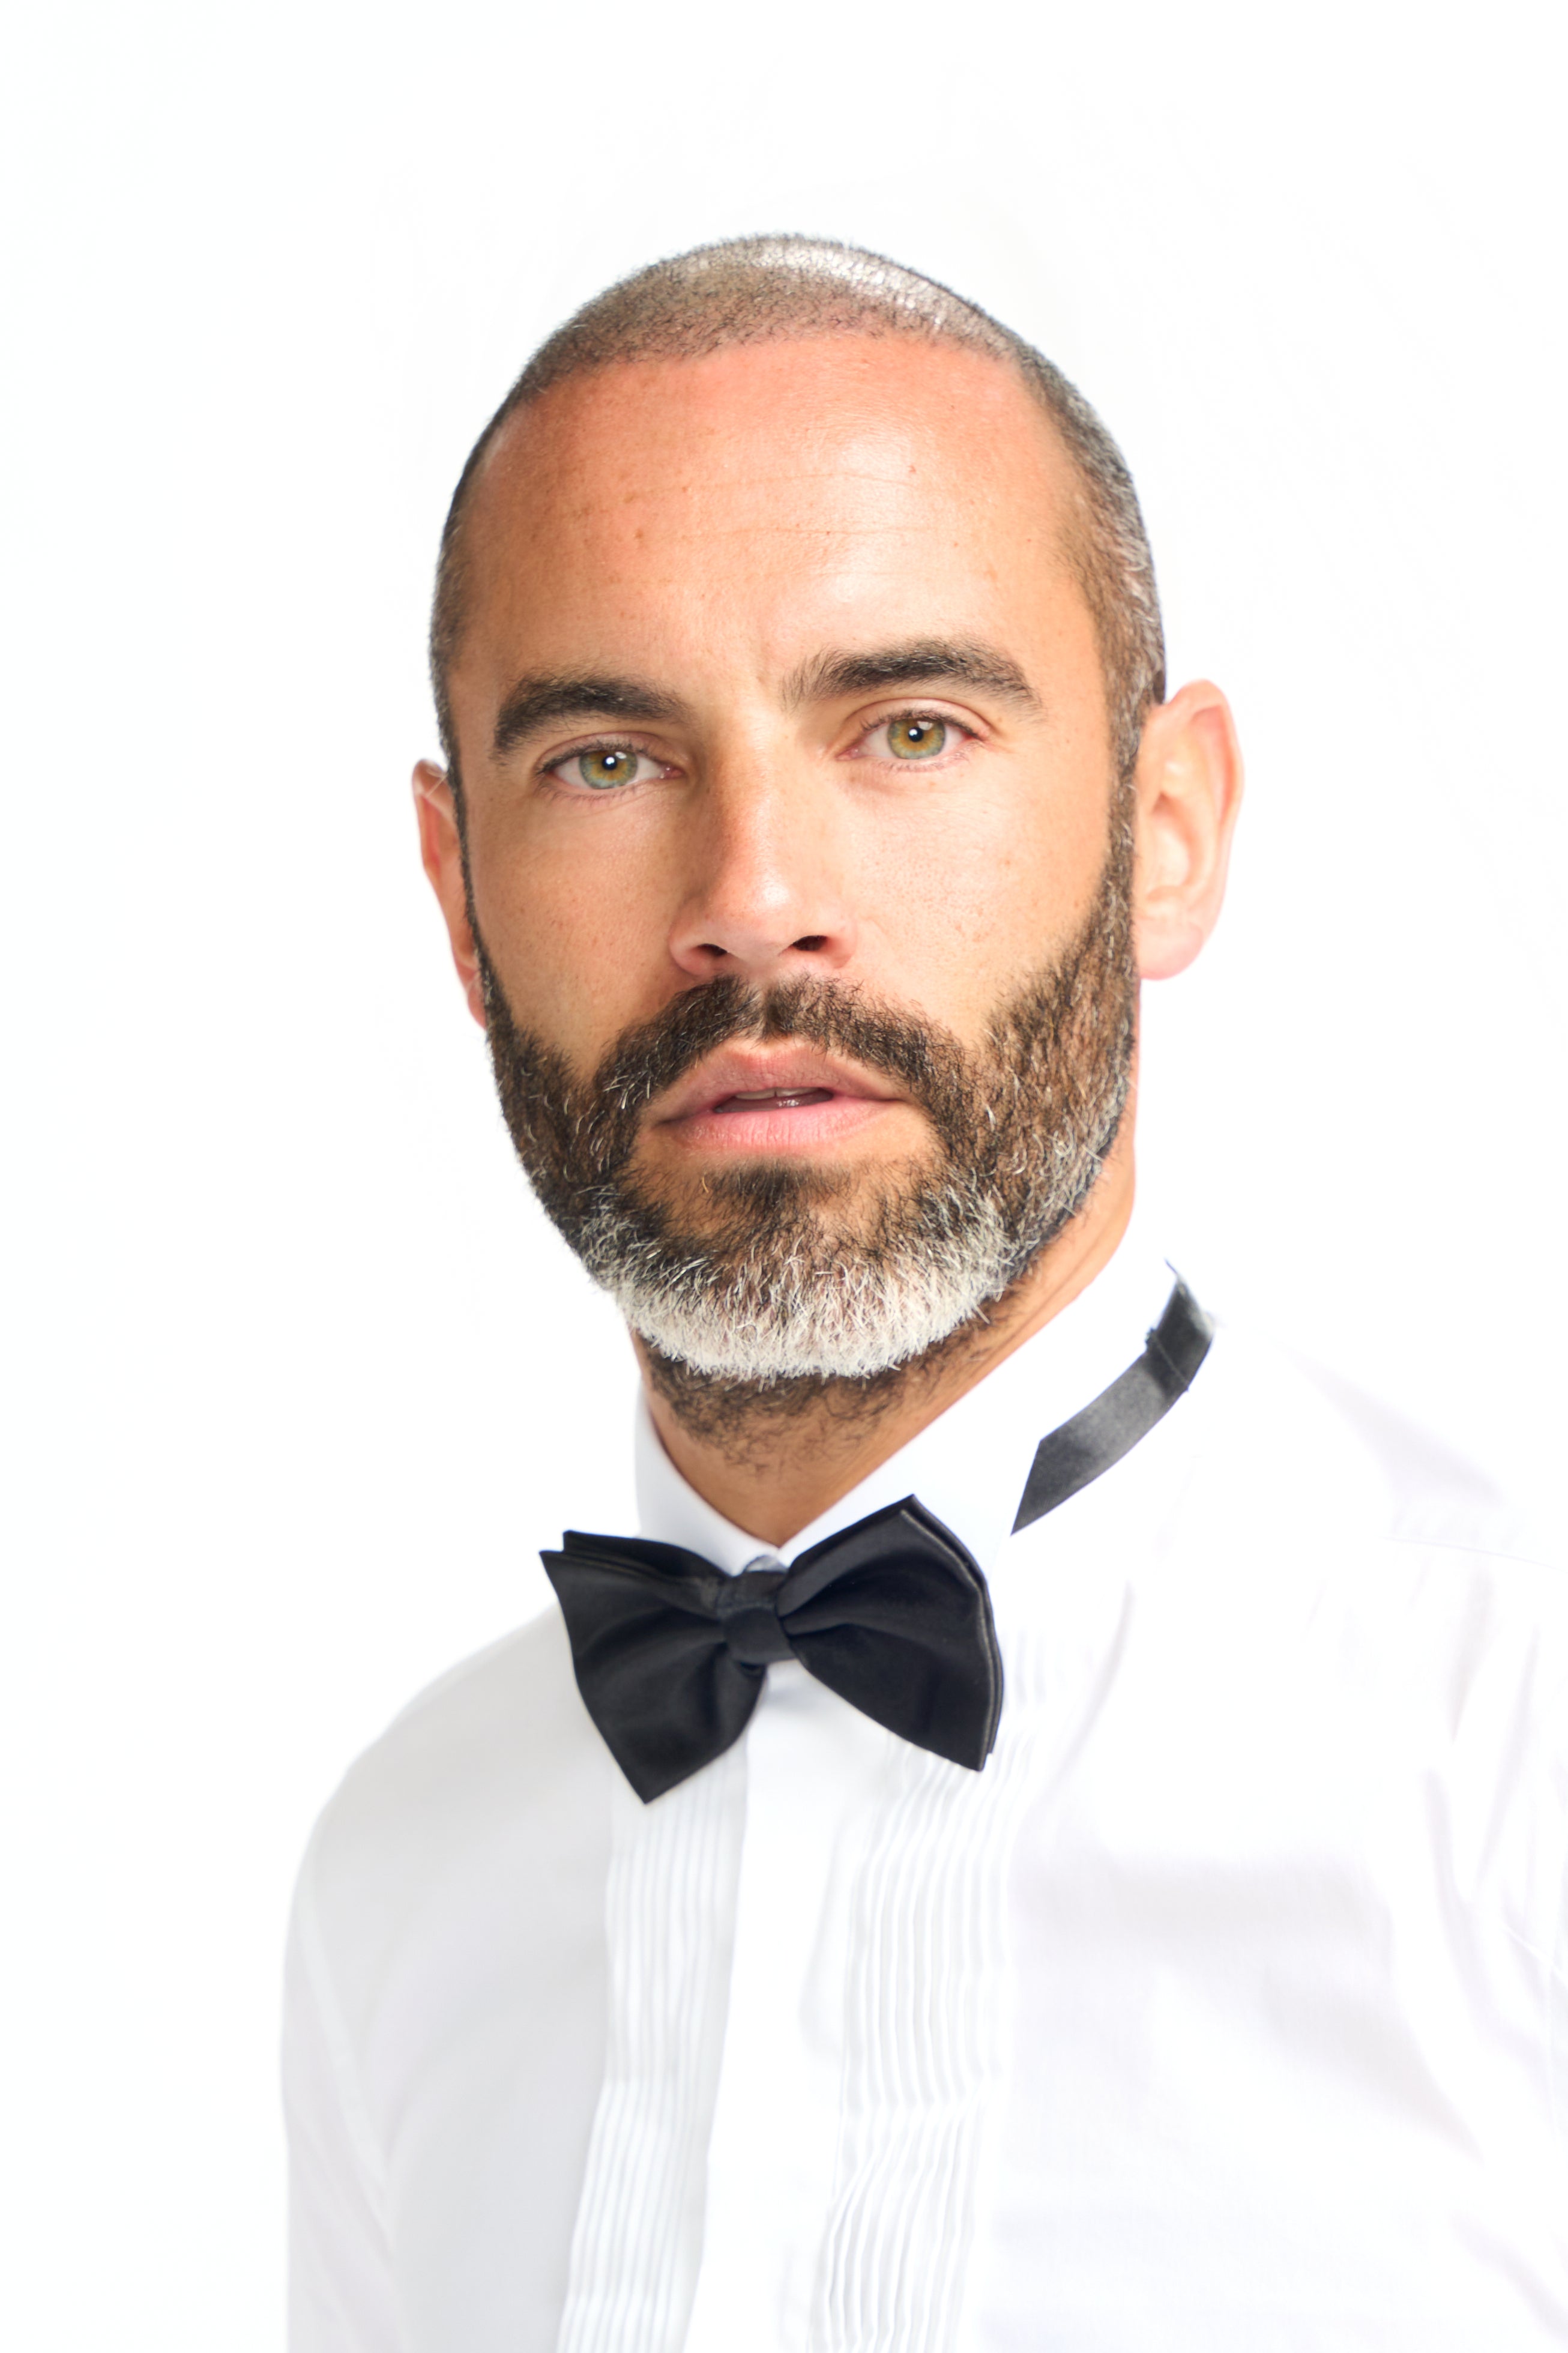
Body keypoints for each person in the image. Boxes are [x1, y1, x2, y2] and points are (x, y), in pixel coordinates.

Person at [282, 237, 1567, 2351]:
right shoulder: (398, 1877)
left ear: (1164, 830)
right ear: (458, 896)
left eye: (907, 728)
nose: (752, 901)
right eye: (603, 758)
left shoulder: (1513, 1749)